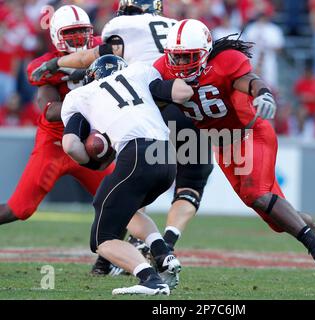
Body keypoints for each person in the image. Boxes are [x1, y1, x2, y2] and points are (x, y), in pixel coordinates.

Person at [153, 18, 315, 284]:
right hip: (222, 144)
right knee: (277, 220)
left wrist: (263, 93)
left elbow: (250, 81)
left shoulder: (226, 61)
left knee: (257, 193)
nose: (182, 66)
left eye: (189, 57)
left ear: (205, 52)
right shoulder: (162, 69)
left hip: (252, 133)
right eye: (177, 58)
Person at [31, 0, 214, 277]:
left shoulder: (115, 36)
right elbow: (182, 89)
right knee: (191, 182)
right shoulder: (164, 41)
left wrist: (54, 63)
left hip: (139, 133)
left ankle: (116, 265)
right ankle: (165, 248)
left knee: (114, 208)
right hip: (180, 118)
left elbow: (93, 55)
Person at [61, 54, 193, 295]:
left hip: (136, 155)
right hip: (166, 154)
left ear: (92, 76)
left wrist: (94, 162)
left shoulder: (80, 95)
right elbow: (179, 93)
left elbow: (70, 145)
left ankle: (149, 278)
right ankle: (164, 255)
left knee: (103, 238)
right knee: (127, 209)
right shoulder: (139, 71)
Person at [0, 5, 115, 226]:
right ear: (56, 36)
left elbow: (115, 49)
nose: (78, 38)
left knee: (120, 200)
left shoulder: (103, 47)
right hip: (54, 143)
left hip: (89, 141)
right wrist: (88, 97)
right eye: (70, 33)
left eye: (82, 31)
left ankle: (116, 257)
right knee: (18, 210)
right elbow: (51, 112)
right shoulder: (45, 66)